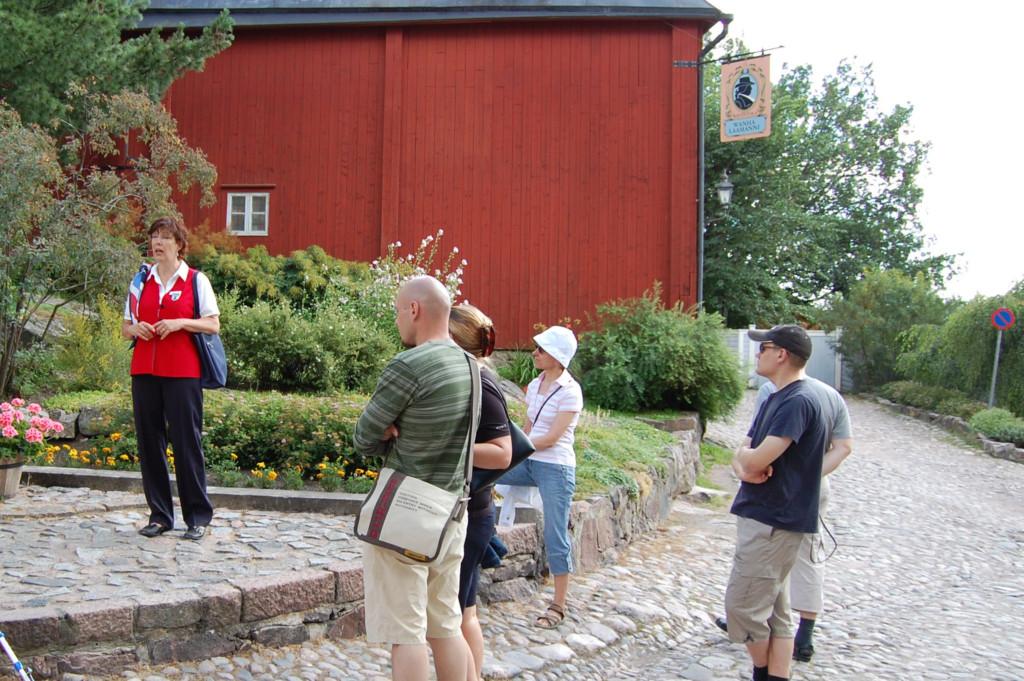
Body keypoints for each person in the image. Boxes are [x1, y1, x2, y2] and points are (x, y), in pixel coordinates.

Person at [353, 275, 477, 681]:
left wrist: (387, 432)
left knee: (406, 634)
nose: (396, 321)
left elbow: (364, 436)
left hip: (405, 516)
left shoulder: (409, 365)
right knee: (445, 626)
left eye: (396, 312)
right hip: (451, 514)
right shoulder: (471, 367)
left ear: (414, 310)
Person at [715, 377, 854, 664]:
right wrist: (811, 477)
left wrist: (750, 469)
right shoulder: (831, 394)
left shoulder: (777, 393)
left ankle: (755, 626)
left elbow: (753, 450)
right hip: (814, 485)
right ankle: (804, 634)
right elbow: (844, 447)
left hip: (777, 488)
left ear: (783, 355)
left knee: (768, 562)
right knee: (809, 555)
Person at [725, 324, 829, 681]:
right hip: (767, 516)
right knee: (775, 610)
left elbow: (753, 458)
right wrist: (744, 463)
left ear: (781, 354)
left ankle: (763, 671)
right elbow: (743, 453)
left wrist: (745, 462)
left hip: (774, 520)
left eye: (763, 347)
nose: (758, 353)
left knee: (743, 606)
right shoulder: (775, 397)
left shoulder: (798, 401)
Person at [122, 217, 220, 541]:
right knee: (150, 444)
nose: (158, 242)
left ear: (179, 244)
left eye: (165, 237)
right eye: (154, 236)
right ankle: (160, 516)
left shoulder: (195, 280)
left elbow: (212, 325)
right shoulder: (140, 281)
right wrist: (134, 329)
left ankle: (197, 518)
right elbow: (126, 327)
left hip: (182, 373)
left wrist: (179, 322)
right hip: (145, 372)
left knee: (186, 443)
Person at [496, 325, 582, 629]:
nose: (535, 352)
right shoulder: (535, 385)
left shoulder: (570, 392)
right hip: (529, 461)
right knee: (483, 478)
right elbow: (529, 427)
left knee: (555, 533)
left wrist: (516, 447)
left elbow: (554, 437)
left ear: (557, 357)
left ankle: (558, 605)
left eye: (541, 350)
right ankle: (485, 550)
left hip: (555, 467)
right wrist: (506, 450)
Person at [448, 304, 513, 681]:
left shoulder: (481, 381)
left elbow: (502, 452)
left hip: (472, 511)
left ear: (454, 338)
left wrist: (444, 446)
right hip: (474, 507)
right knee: (465, 611)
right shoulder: (469, 375)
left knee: (452, 616)